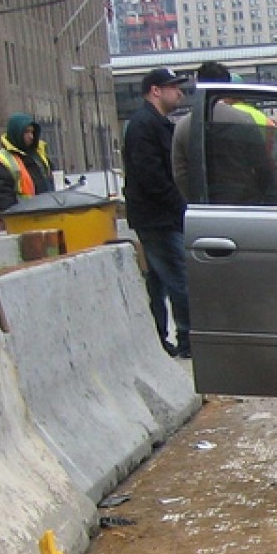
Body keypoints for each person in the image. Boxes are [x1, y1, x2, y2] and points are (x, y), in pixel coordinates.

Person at [123, 66, 192, 358]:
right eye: (174, 86)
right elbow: (152, 176)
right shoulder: (143, 126)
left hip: (160, 216)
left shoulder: (157, 124)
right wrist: (180, 207)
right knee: (180, 278)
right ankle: (189, 340)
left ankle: (158, 340)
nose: (180, 92)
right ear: (155, 91)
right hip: (158, 218)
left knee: (159, 281)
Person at [171, 60, 276, 203]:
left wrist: (197, 200)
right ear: (228, 86)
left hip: (204, 208)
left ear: (198, 85)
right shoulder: (243, 120)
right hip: (244, 205)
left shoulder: (183, 126)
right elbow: (262, 167)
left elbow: (181, 175)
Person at [0, 113, 55, 214]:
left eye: (32, 132)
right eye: (26, 132)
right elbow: (1, 199)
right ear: (16, 132)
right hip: (22, 219)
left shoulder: (39, 154)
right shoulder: (1, 161)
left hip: (47, 213)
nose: (31, 136)